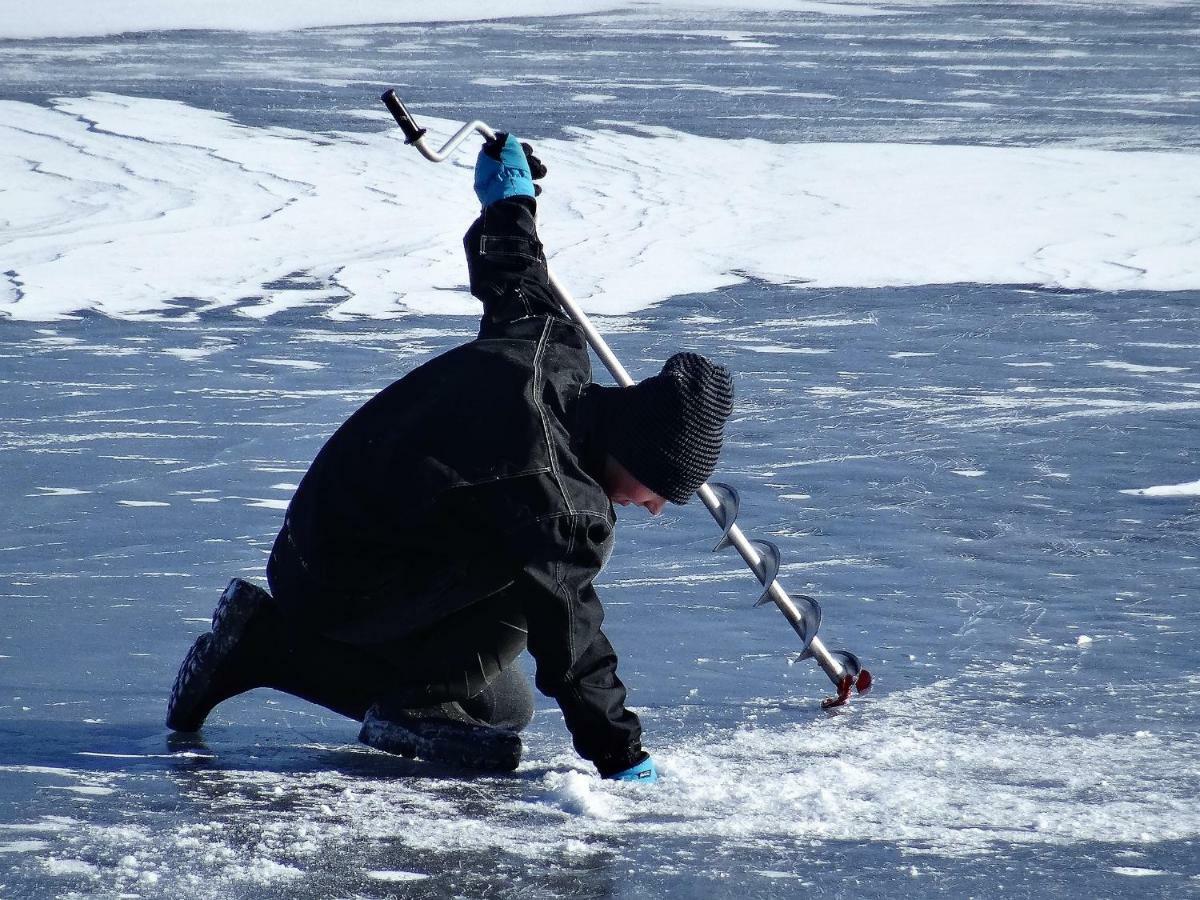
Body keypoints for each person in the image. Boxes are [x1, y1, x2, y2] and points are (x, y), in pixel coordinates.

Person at [165, 132, 734, 781]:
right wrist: (621, 758)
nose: (656, 507)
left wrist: (509, 196)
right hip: (338, 573)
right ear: (634, 448)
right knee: (542, 577)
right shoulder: (558, 494)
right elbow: (573, 644)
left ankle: (263, 640)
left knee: (504, 708)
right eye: (659, 486)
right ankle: (276, 652)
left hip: (323, 533)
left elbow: (515, 271)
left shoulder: (555, 348)